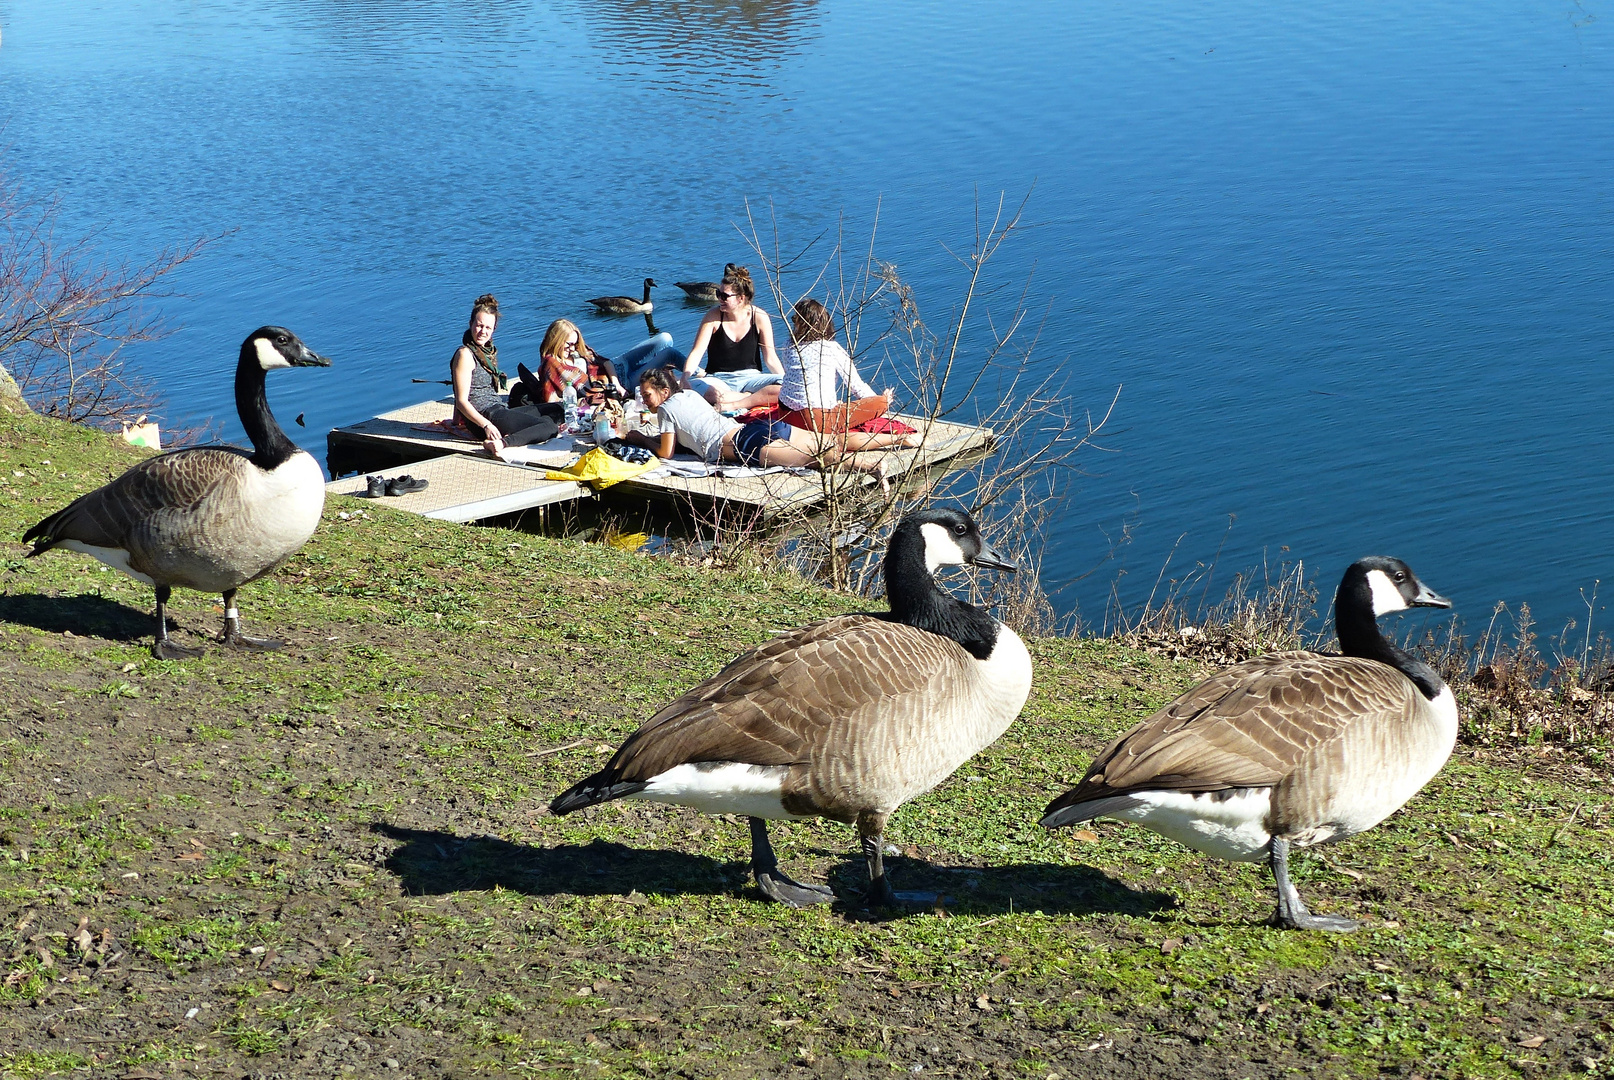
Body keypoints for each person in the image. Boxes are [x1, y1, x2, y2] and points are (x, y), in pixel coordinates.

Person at [624, 367, 896, 489]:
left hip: (745, 446)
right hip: (755, 427)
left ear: (662, 391)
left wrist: (641, 439)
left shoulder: (666, 410)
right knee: (830, 440)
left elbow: (667, 453)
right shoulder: (689, 395)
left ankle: (871, 467)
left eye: (648, 395)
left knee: (815, 459)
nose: (645, 400)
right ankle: (897, 441)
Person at [779, 297, 922, 451]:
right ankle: (896, 431)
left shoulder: (788, 346)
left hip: (785, 414)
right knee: (881, 403)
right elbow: (857, 387)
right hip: (816, 419)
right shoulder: (832, 349)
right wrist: (878, 402)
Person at [450, 294, 563, 455]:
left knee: (557, 410)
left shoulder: (485, 352)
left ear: (494, 329)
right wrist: (486, 425)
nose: (483, 331)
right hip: (487, 417)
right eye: (479, 325)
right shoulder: (465, 355)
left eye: (488, 328)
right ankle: (502, 443)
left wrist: (455, 423)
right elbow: (461, 400)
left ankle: (520, 433)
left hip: (498, 409)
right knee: (549, 427)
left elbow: (458, 389)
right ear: (470, 324)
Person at [680, 264, 784, 412]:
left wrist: (786, 381)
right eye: (718, 294)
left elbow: (770, 358)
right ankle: (751, 398)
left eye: (724, 296)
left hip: (752, 379)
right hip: (719, 379)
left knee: (783, 386)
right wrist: (685, 376)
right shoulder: (713, 317)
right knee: (709, 392)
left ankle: (738, 401)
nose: (719, 299)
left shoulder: (759, 317)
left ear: (741, 298)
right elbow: (697, 351)